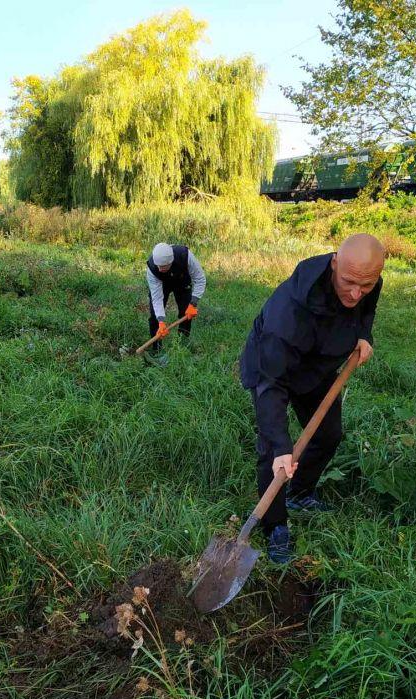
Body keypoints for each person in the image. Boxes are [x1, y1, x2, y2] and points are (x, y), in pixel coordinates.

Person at [239, 233, 386, 563]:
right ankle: (275, 526)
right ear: (335, 263)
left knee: (328, 434)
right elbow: (270, 384)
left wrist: (364, 334)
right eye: (349, 282)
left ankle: (301, 493)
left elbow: (366, 308)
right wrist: (281, 446)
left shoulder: (365, 281)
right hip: (273, 371)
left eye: (365, 285)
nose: (355, 293)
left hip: (318, 367)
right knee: (274, 453)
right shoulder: (287, 314)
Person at [146, 243, 206, 355]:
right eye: (158, 265)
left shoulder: (185, 256)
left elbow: (200, 279)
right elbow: (157, 298)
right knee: (154, 316)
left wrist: (193, 303)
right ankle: (156, 350)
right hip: (162, 284)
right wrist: (161, 321)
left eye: (163, 266)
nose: (159, 268)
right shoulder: (153, 269)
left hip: (182, 280)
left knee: (186, 314)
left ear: (170, 261)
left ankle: (182, 346)